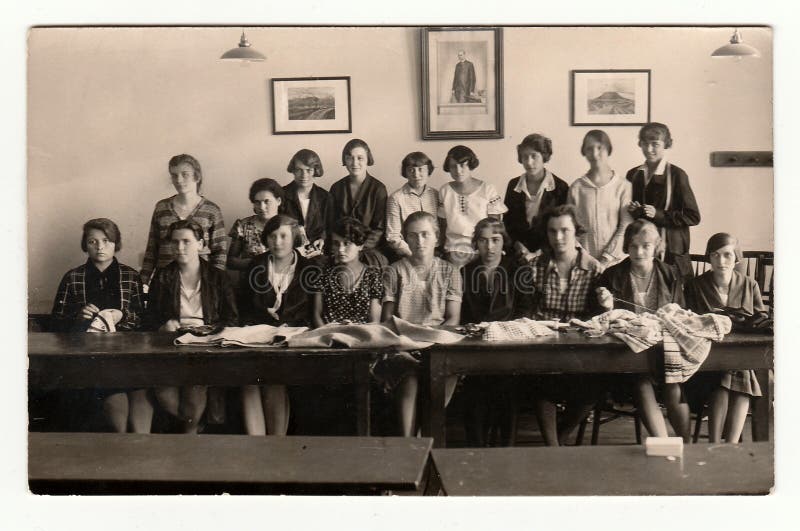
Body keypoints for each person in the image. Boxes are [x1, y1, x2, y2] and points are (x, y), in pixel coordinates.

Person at [51, 218, 151, 433]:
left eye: (106, 241)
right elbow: (56, 323)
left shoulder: (131, 276)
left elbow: (144, 319)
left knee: (141, 395)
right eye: (92, 242)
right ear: (85, 245)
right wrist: (78, 317)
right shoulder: (73, 277)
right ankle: (122, 446)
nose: (100, 247)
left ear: (116, 243)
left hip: (128, 354)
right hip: (88, 357)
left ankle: (141, 449)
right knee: (116, 398)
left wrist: (122, 316)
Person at [596, 219, 689, 442]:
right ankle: (665, 446)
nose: (639, 251)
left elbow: (682, 314)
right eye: (633, 245)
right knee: (640, 382)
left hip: (664, 352)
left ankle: (688, 446)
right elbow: (600, 322)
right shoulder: (612, 275)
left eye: (646, 245)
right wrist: (606, 306)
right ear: (626, 246)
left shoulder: (670, 274)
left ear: (656, 246)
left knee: (673, 384)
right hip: (627, 355)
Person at [146, 219, 239, 434]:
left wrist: (211, 332)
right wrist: (163, 325)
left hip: (206, 345)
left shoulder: (218, 277)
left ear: (200, 243)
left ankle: (188, 435)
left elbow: (232, 319)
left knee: (194, 387)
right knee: (163, 392)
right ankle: (194, 426)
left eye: (186, 241)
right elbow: (148, 317)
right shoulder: (163, 276)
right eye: (175, 242)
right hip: (172, 344)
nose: (180, 248)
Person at [524, 205, 604, 446]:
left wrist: (604, 305)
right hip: (543, 346)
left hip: (579, 349)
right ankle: (553, 449)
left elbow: (597, 318)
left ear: (576, 232)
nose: (558, 238)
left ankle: (557, 440)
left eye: (565, 231)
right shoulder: (534, 267)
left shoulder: (594, 269)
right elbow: (526, 310)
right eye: (552, 231)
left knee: (593, 390)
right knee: (540, 385)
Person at [381, 212, 462, 436]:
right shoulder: (394, 270)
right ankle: (408, 443)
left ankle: (424, 439)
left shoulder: (450, 271)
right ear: (406, 239)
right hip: (403, 344)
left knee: (436, 377)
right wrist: (407, 341)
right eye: (413, 235)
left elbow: (453, 318)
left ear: (437, 237)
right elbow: (387, 319)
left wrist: (432, 340)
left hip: (439, 344)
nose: (420, 241)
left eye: (425, 235)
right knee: (409, 376)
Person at [684, 233, 766, 443]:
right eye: (715, 255)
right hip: (705, 358)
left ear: (737, 258)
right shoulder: (695, 285)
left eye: (727, 255)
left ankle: (722, 446)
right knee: (726, 373)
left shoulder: (750, 285)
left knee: (737, 372)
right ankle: (724, 447)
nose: (721, 261)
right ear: (708, 258)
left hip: (741, 356)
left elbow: (762, 320)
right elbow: (688, 321)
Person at [240, 215, 314, 435]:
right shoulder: (256, 265)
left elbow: (311, 312)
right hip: (257, 337)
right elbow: (243, 308)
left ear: (294, 239)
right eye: (272, 236)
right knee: (247, 381)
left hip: (294, 339)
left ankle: (275, 442)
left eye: (283, 236)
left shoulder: (309, 268)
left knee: (275, 378)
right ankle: (257, 445)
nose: (277, 242)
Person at [460, 218, 530, 446]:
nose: (489, 247)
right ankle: (477, 449)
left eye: (495, 240)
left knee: (506, 387)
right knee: (474, 391)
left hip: (509, 345)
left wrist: (504, 331)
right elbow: (462, 315)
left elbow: (525, 310)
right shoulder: (466, 271)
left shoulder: (519, 269)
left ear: (504, 242)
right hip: (476, 346)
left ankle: (505, 449)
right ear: (475, 243)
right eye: (482, 240)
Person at [626, 122, 701, 280]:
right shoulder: (633, 174)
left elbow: (693, 216)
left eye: (655, 144)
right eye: (645, 144)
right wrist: (634, 210)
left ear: (666, 144)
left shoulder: (677, 175)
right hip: (643, 250)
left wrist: (659, 214)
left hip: (671, 251)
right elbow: (634, 218)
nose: (649, 149)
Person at [141, 154, 227, 287]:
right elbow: (152, 248)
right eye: (174, 175)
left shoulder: (212, 210)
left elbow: (220, 252)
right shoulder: (161, 208)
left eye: (184, 174)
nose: (179, 180)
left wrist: (213, 282)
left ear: (196, 176)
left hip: (199, 282)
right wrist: (143, 281)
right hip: (165, 281)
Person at [567, 130, 632, 267]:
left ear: (608, 149)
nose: (595, 154)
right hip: (583, 264)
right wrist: (586, 259)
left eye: (599, 148)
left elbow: (625, 227)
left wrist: (606, 259)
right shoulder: (577, 188)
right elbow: (570, 228)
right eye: (589, 149)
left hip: (615, 263)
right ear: (584, 152)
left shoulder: (623, 186)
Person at [503, 133, 569, 263]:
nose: (529, 162)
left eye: (534, 156)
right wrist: (518, 246)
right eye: (524, 156)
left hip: (549, 254)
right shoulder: (513, 185)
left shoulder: (560, 187)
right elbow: (507, 223)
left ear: (544, 156)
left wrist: (537, 253)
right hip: (518, 254)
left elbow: (562, 226)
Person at [438, 145, 507, 268]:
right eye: (453, 166)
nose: (458, 171)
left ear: (470, 165)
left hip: (482, 246)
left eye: (463, 165)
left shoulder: (487, 189)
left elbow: (494, 225)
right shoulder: (445, 191)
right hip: (454, 248)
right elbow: (443, 224)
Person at [311, 217, 383, 328]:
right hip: (327, 336)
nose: (340, 249)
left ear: (360, 245)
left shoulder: (372, 276)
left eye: (347, 243)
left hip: (361, 337)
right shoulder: (324, 275)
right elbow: (316, 316)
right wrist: (328, 335)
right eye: (336, 243)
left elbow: (374, 321)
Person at [329, 139, 389, 267]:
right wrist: (343, 249)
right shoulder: (336, 188)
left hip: (368, 250)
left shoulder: (378, 189)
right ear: (345, 160)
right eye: (350, 158)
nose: (355, 163)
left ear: (368, 159)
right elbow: (332, 224)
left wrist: (358, 249)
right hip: (341, 250)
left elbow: (379, 229)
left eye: (360, 158)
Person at [385, 151, 441, 261]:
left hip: (435, 252)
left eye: (421, 169)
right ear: (405, 172)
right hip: (407, 253)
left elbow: (441, 229)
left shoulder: (436, 195)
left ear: (428, 171)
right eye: (411, 170)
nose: (416, 175)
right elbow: (393, 236)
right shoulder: (396, 198)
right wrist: (413, 255)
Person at [281, 149, 334, 257]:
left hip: (317, 253)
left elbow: (330, 228)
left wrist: (322, 239)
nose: (304, 175)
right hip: (287, 253)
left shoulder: (326, 197)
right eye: (299, 170)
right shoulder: (281, 195)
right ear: (293, 171)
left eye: (308, 170)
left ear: (316, 171)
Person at [227, 178, 284, 271]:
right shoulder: (243, 226)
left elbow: (303, 261)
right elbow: (230, 261)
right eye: (257, 202)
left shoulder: (292, 226)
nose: (262, 207)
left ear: (278, 201)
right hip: (250, 282)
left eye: (267, 201)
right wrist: (256, 263)